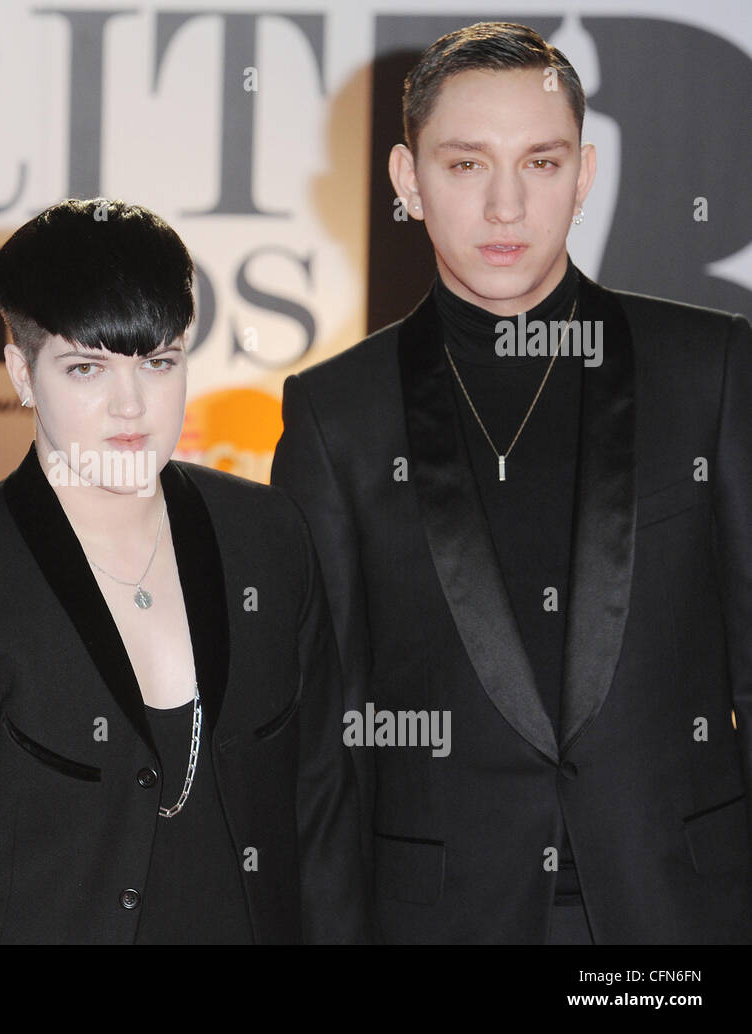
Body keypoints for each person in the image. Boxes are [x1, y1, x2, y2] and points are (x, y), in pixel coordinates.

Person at [273, 21, 752, 944]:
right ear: (408, 181)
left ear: (585, 173)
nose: (505, 207)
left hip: (677, 917)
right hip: (443, 918)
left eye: (539, 164)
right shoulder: (339, 414)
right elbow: (322, 735)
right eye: (465, 166)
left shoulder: (710, 369)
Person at [0, 198, 366, 943]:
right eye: (86, 367)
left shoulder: (267, 538)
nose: (131, 406)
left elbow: (320, 815)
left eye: (157, 362)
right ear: (22, 374)